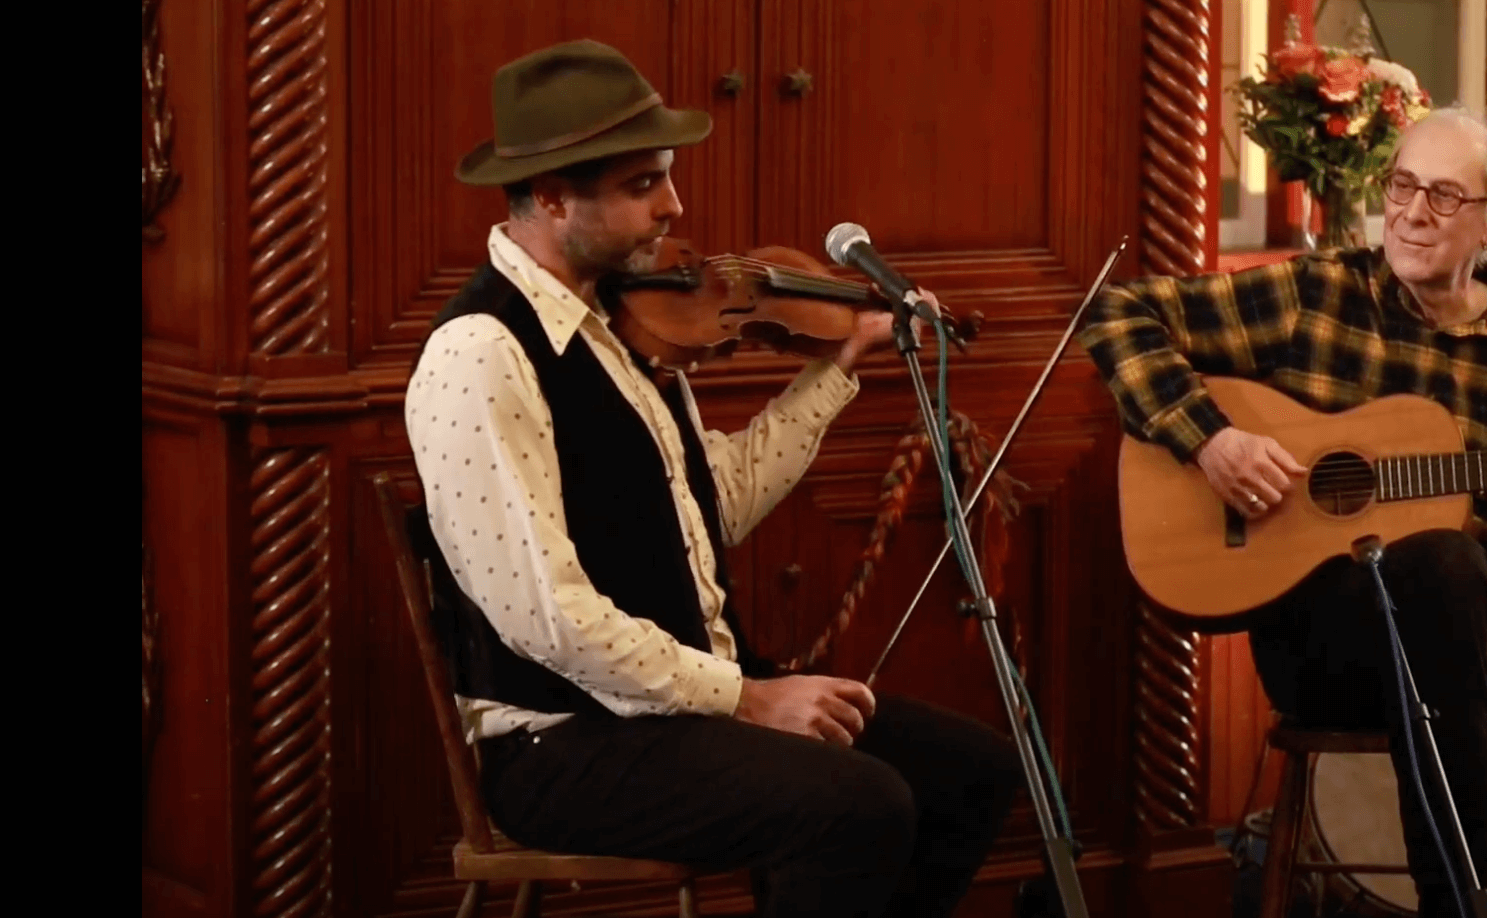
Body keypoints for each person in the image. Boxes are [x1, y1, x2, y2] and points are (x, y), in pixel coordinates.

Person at [1077, 105, 1487, 918]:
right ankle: (1458, 898)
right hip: (1329, 646)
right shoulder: (1318, 294)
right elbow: (1117, 313)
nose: (1411, 213)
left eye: (1443, 196)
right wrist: (1209, 440)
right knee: (1441, 560)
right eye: (1401, 185)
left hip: (1483, 641)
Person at [404, 40, 1023, 918]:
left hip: (673, 706)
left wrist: (836, 366)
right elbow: (548, 619)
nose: (675, 205)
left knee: (973, 775)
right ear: (550, 197)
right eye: (642, 184)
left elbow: (709, 506)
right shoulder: (480, 352)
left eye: (668, 177)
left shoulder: (627, 326)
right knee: (855, 805)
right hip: (566, 744)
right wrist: (749, 698)